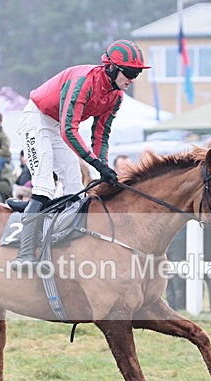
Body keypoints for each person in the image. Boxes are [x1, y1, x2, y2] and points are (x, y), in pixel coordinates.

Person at [11, 39, 149, 272]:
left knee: (75, 188)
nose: (132, 79)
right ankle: (24, 254)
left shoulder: (116, 97)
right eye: (129, 72)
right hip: (38, 118)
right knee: (44, 185)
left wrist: (104, 167)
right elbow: (69, 130)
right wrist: (95, 163)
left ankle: (60, 242)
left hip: (57, 126)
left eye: (136, 73)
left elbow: (101, 135)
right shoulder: (83, 82)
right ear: (112, 68)